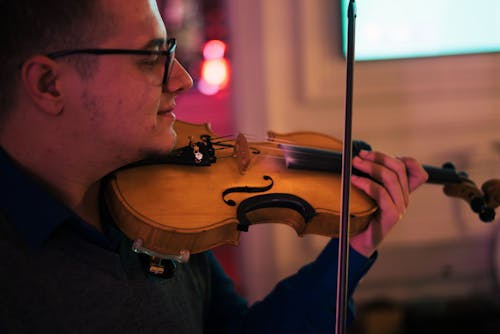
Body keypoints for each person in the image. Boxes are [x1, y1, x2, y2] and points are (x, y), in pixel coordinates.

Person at [0, 1, 428, 333]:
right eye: (151, 57)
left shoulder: (163, 199)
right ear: (48, 84)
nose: (181, 79)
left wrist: (352, 250)